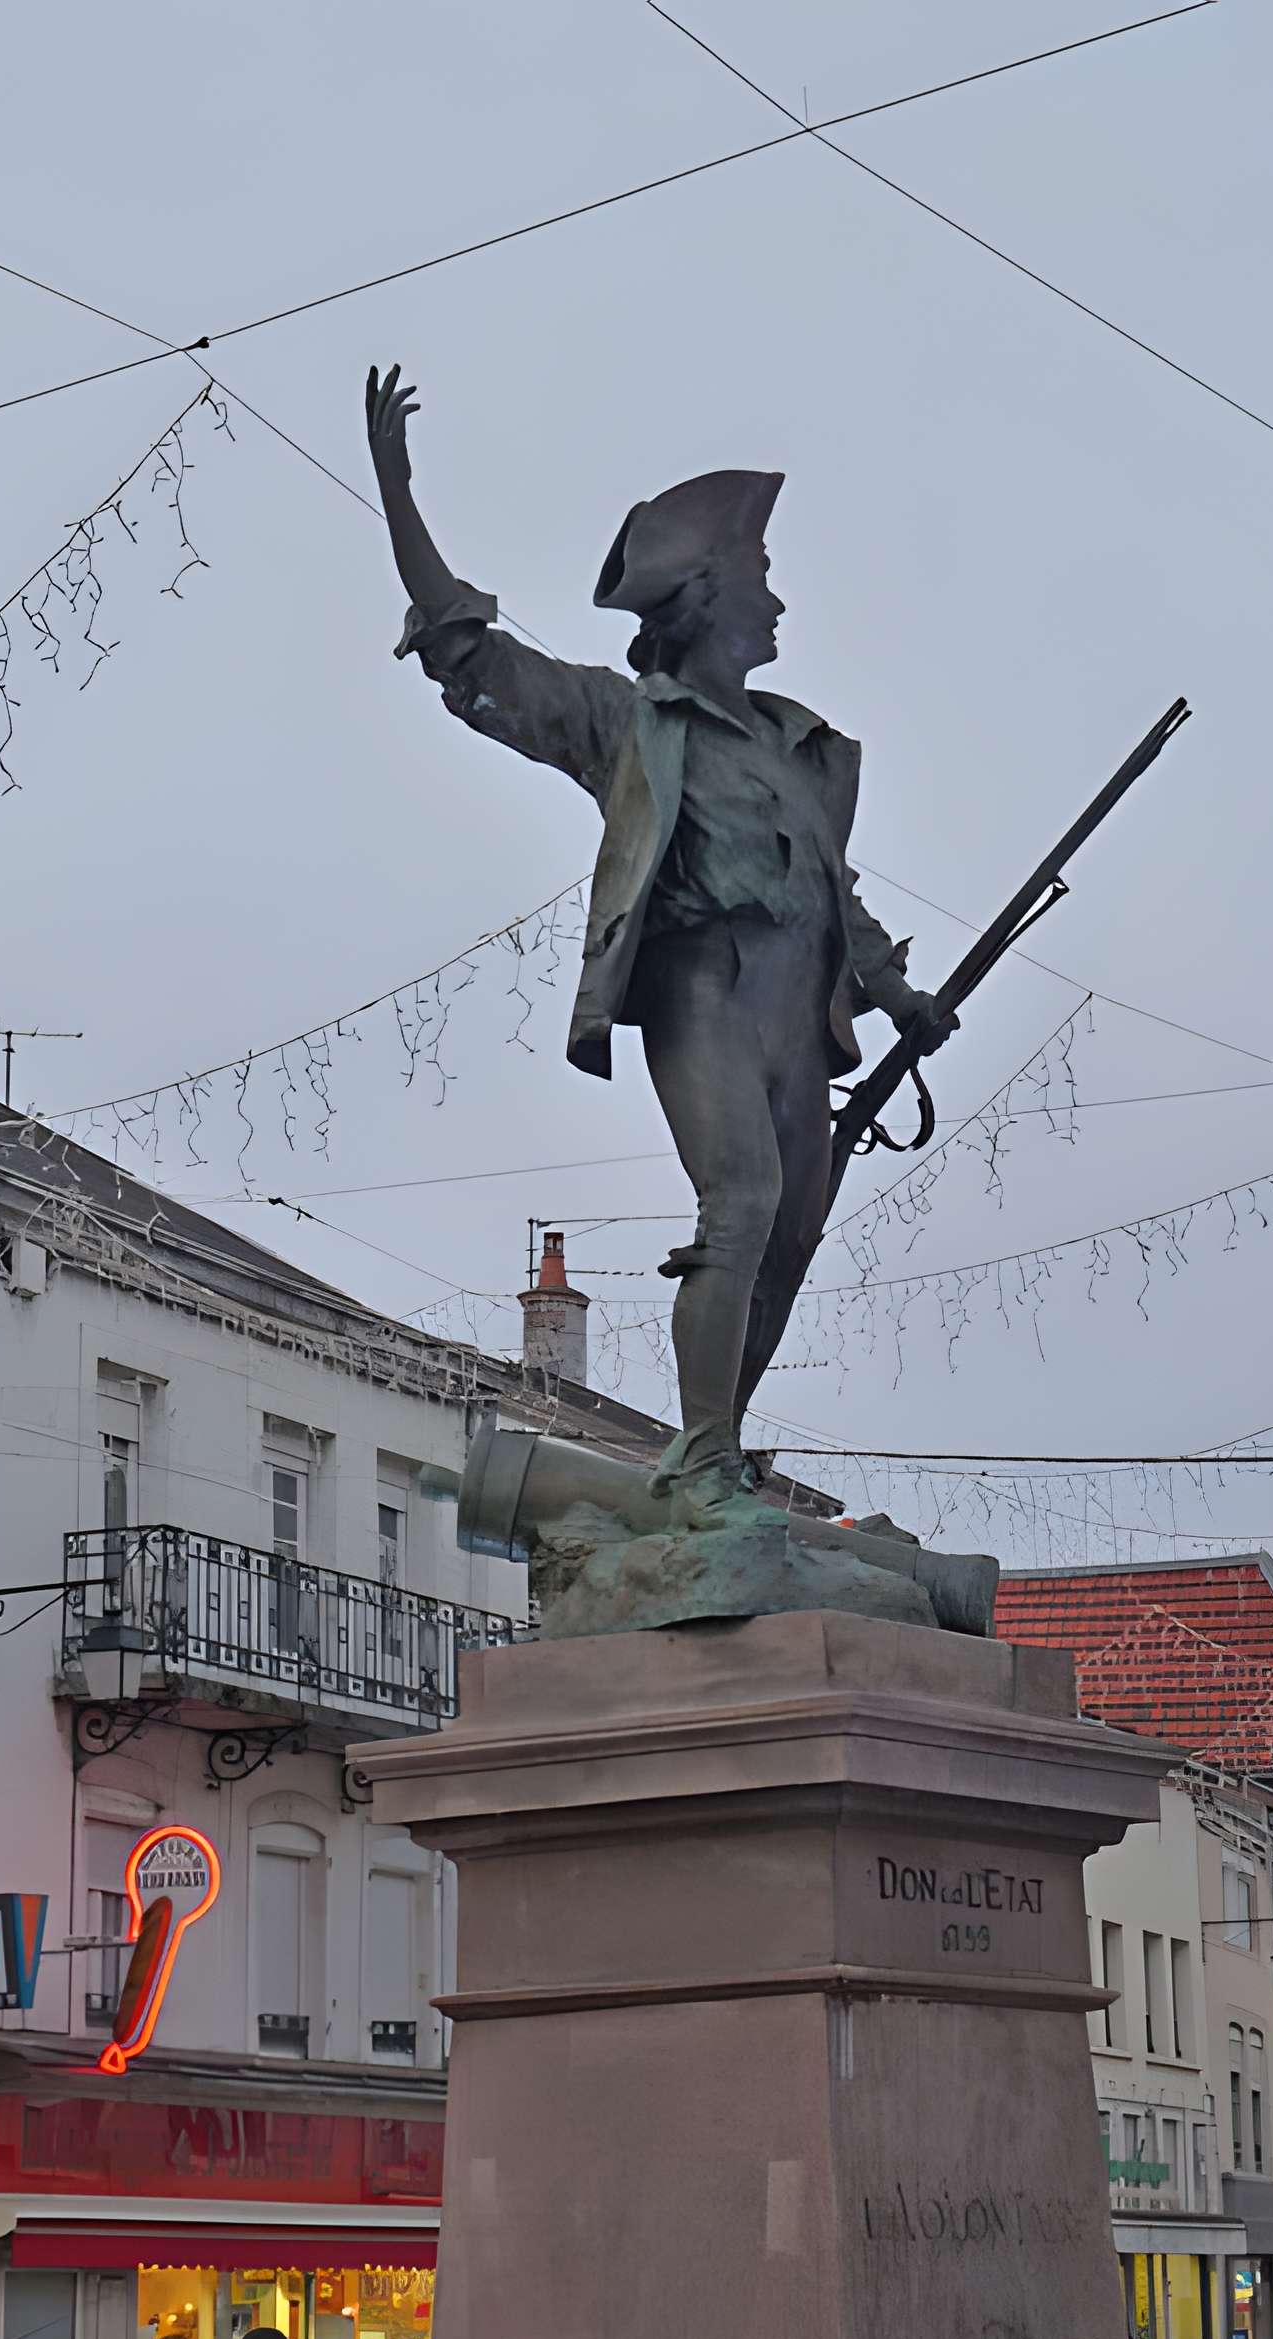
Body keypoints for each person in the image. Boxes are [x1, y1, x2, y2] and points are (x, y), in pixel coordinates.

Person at [364, 365, 956, 1524]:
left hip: (800, 1004)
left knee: (790, 1231)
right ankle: (701, 1463)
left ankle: (714, 1465)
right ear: (707, 599)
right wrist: (398, 496)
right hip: (701, 985)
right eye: (762, 579)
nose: (780, 601)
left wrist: (897, 992)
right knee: (739, 1204)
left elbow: (833, 892)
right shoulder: (626, 719)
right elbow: (473, 655)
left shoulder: (800, 746)